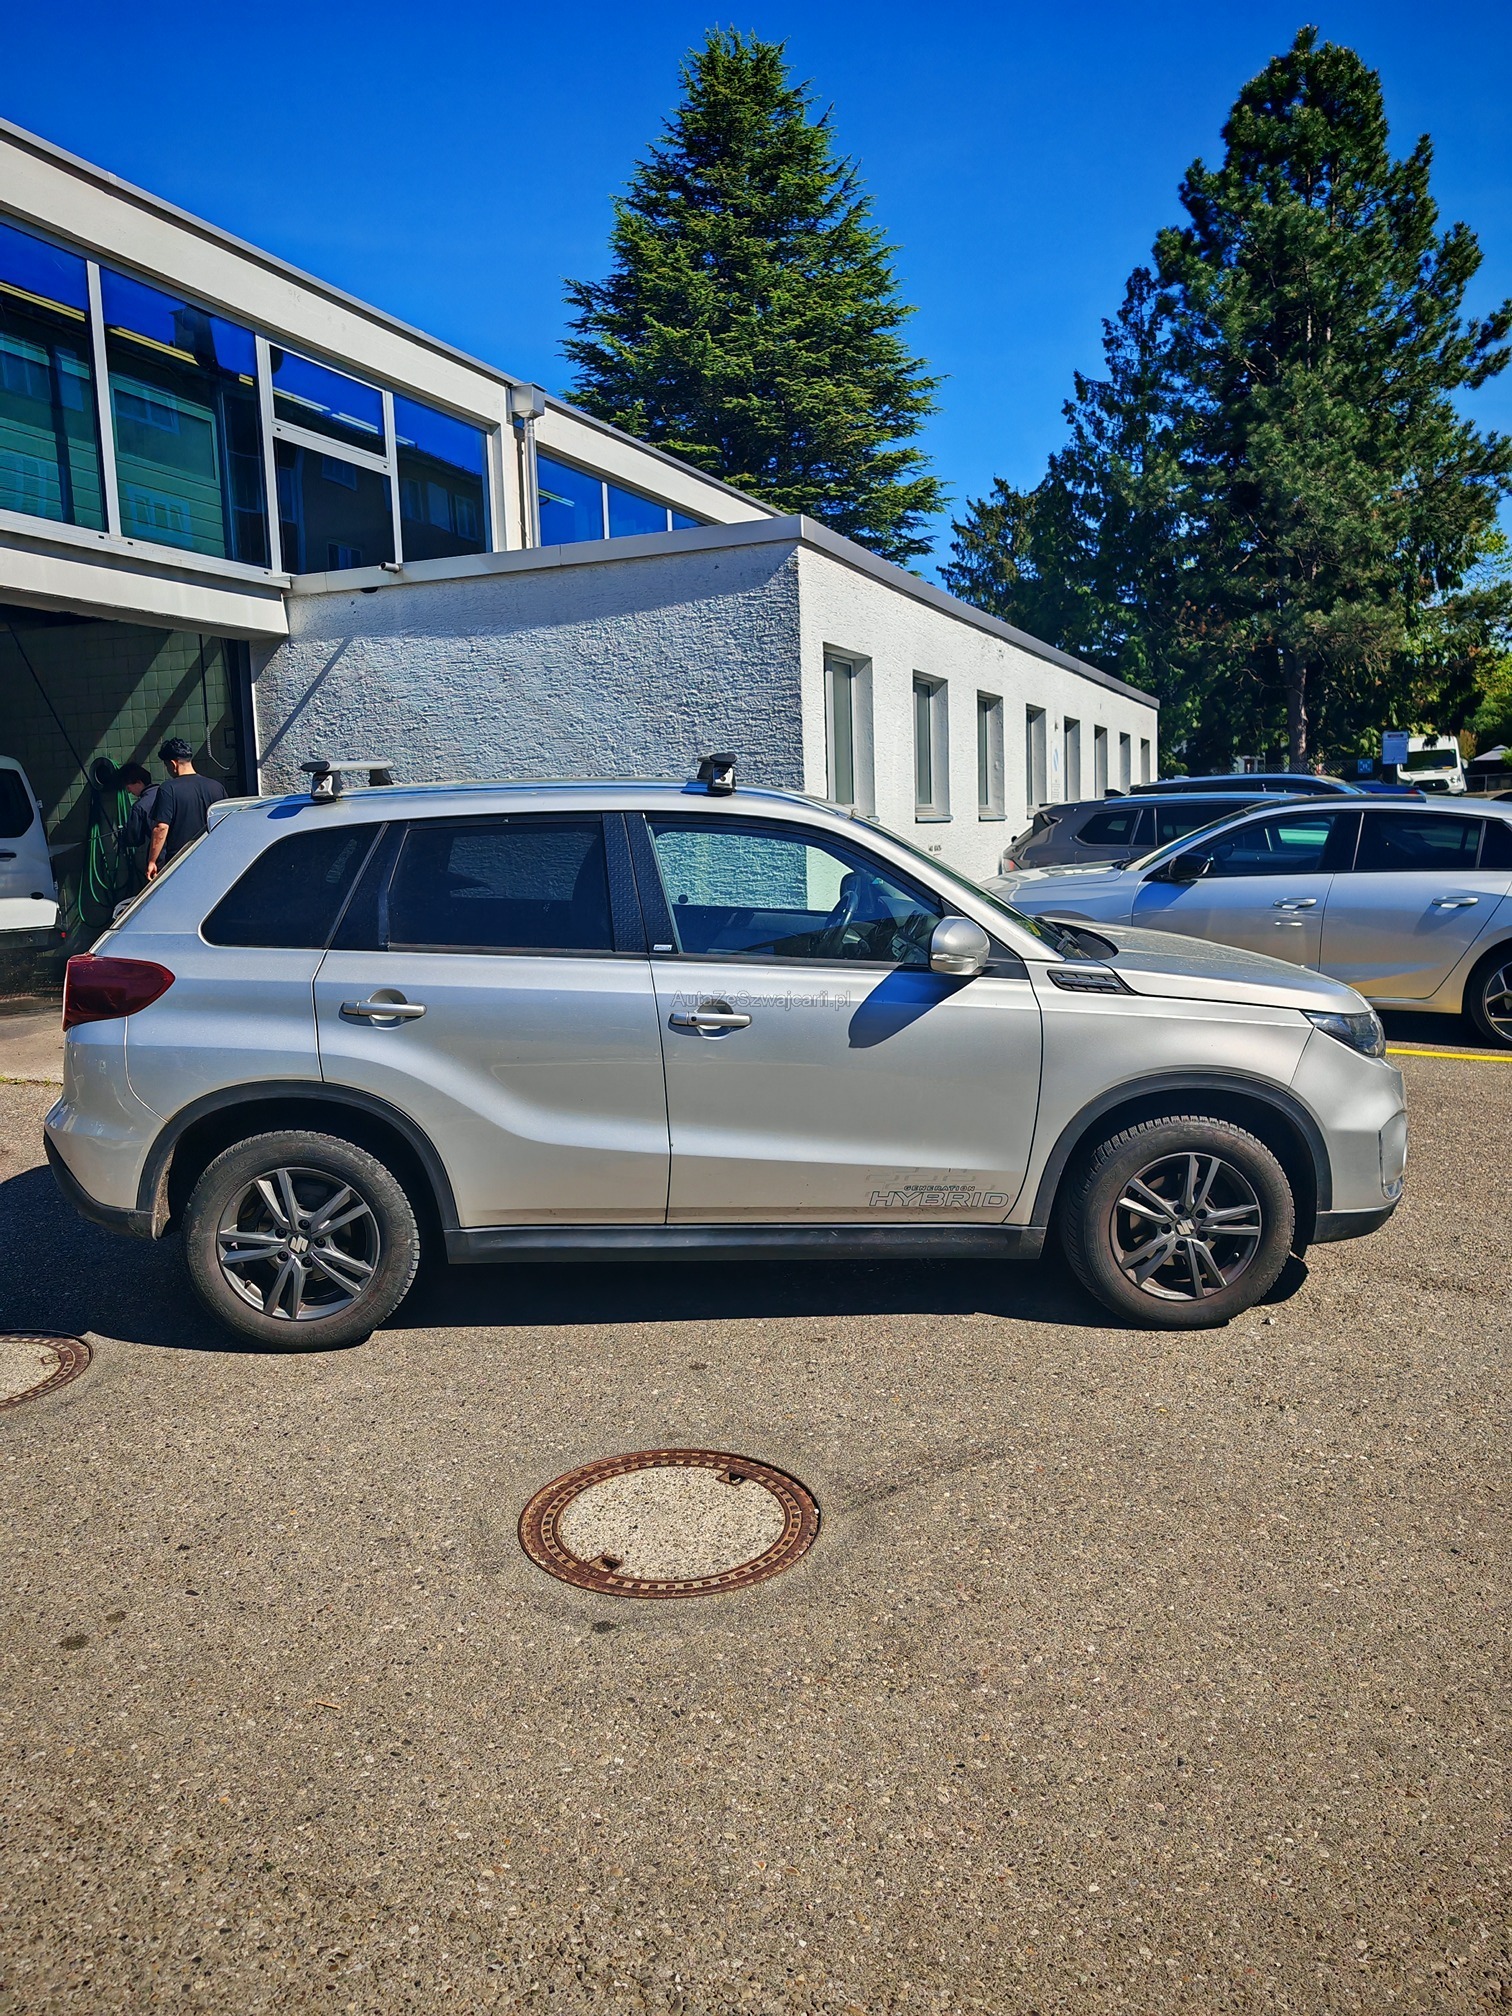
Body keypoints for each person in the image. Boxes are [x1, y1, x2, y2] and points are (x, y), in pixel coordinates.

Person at [146, 738, 226, 879]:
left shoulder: (168, 789)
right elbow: (225, 823)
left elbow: (161, 827)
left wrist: (152, 861)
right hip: (212, 857)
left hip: (181, 860)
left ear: (173, 764)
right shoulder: (216, 787)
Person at [118, 763, 157, 853]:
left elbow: (134, 839)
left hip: (160, 852)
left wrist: (125, 833)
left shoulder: (139, 806)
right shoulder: (168, 792)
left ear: (139, 782)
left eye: (128, 787)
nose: (128, 791)